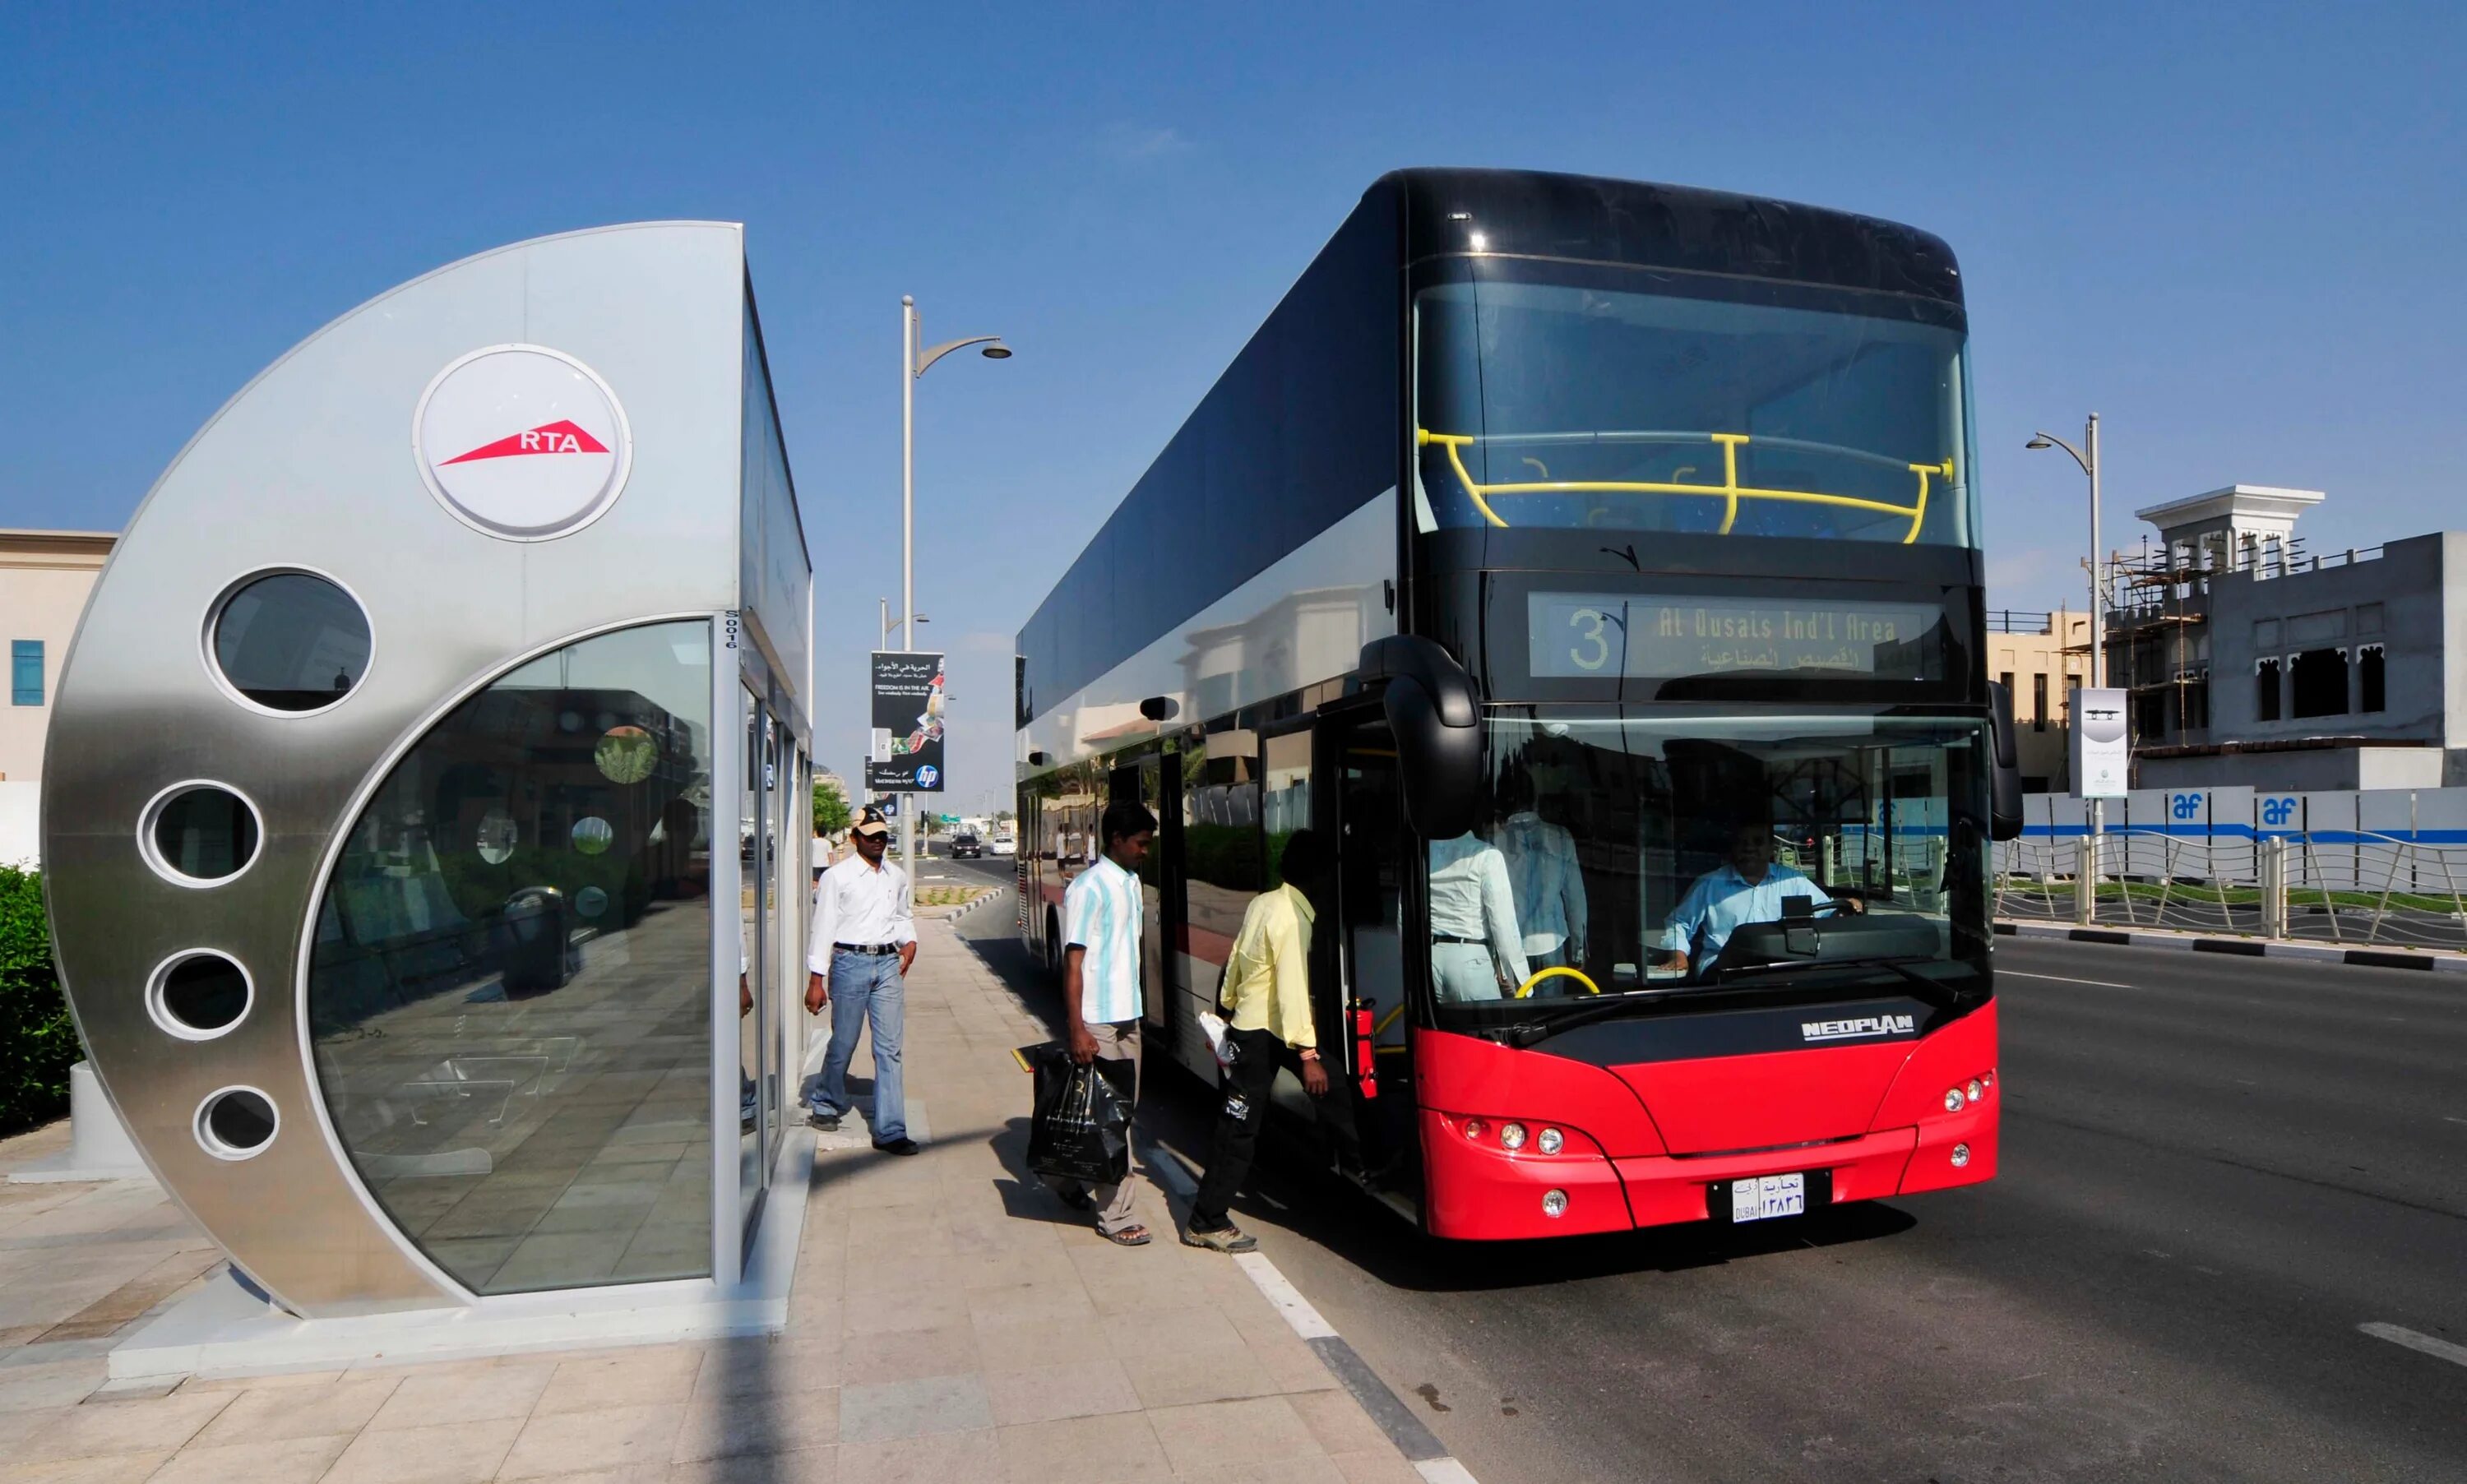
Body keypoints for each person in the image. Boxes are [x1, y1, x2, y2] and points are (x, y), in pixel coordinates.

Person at [1186, 830, 1333, 1253]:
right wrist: (1308, 1055)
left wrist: (1227, 1009)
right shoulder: (1290, 917)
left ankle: (1361, 1163)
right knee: (1238, 1130)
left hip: (1254, 1029)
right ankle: (1206, 1220)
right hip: (1262, 1037)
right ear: (1315, 875)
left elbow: (1238, 959)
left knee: (1335, 1088)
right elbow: (1291, 988)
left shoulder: (1263, 902)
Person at [1050, 799, 1158, 1246]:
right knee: (1112, 1120)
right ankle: (1115, 1215)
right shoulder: (1088, 888)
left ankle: (1062, 1177)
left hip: (1128, 1015)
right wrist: (1078, 1027)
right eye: (1140, 844)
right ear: (1116, 840)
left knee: (1113, 1115)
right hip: (1097, 1021)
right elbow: (1073, 961)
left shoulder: (1131, 883)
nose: (1144, 851)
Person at [803, 806, 920, 1155]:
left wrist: (910, 941)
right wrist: (816, 979)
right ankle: (826, 1100)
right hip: (848, 962)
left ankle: (891, 1129)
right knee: (844, 1042)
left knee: (889, 1050)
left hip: (887, 965)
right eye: (870, 836)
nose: (878, 841)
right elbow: (822, 927)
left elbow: (902, 916)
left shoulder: (896, 877)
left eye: (883, 835)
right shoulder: (836, 877)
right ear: (855, 839)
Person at [1660, 821, 1853, 977]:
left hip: (1783, 967)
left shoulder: (1794, 882)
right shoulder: (1709, 884)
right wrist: (1678, 954)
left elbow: (1826, 912)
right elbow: (1679, 922)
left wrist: (1845, 908)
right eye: (1742, 843)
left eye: (1758, 841)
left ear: (1771, 849)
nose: (1749, 848)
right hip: (1724, 971)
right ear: (1733, 848)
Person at [1493, 771, 1587, 973]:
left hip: (1510, 947)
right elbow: (1575, 898)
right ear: (1535, 798)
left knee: (1514, 1004)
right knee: (1552, 1005)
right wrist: (1579, 949)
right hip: (1551, 943)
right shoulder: (1561, 837)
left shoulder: (1492, 841)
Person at [1428, 829, 1528, 1001]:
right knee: (1487, 1025)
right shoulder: (1487, 855)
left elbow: (1404, 912)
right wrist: (1518, 979)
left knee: (1439, 1026)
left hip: (1430, 956)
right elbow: (1503, 923)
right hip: (1471, 958)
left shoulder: (1424, 853)